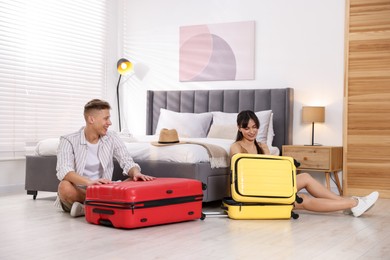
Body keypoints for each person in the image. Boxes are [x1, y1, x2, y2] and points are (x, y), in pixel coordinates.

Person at [229, 110, 379, 217]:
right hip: (253, 190)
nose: (251, 131)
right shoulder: (236, 147)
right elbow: (244, 175)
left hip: (269, 186)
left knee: (306, 176)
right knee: (303, 198)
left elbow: (270, 170)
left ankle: (351, 203)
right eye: (246, 128)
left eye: (254, 127)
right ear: (239, 128)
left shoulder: (262, 146)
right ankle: (353, 203)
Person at [55, 99, 155, 217]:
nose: (110, 123)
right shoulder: (68, 140)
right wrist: (90, 183)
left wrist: (135, 172)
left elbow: (126, 161)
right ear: (91, 119)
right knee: (64, 187)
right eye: (106, 118)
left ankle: (87, 208)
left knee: (136, 180)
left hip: (105, 189)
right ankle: (104, 205)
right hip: (81, 189)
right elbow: (64, 170)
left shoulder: (112, 137)